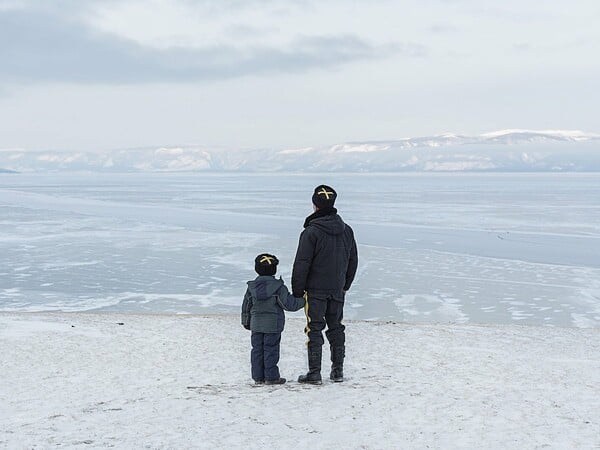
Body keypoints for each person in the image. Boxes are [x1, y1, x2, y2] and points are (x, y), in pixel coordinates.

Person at [292, 185, 358, 384]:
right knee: (336, 327)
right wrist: (345, 284)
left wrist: (297, 290)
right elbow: (353, 260)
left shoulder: (311, 232)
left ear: (315, 205)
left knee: (314, 328)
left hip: (315, 291)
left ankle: (315, 372)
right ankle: (337, 371)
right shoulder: (346, 230)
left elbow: (302, 263)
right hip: (337, 288)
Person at [241, 253, 305, 385]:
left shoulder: (251, 287)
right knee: (271, 350)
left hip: (256, 325)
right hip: (273, 325)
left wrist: (246, 322)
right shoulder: (279, 287)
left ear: (256, 269)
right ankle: (271, 377)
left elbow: (246, 306)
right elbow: (289, 305)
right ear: (274, 269)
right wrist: (304, 300)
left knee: (257, 350)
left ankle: (258, 377)